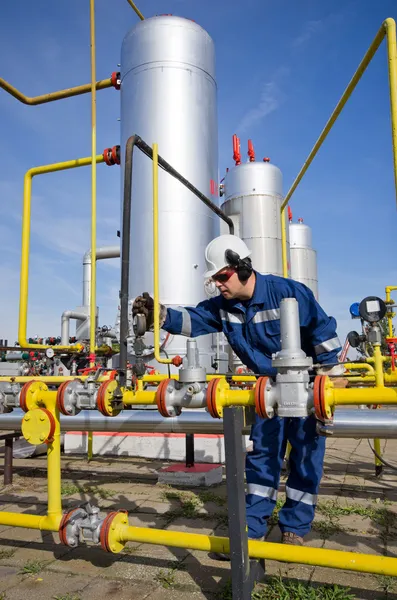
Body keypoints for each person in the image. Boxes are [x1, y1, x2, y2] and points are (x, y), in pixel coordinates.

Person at [132, 234, 345, 547]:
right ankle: (253, 530)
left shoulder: (288, 292)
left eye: (222, 276)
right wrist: (160, 315)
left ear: (243, 267)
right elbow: (194, 319)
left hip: (304, 390)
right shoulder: (224, 307)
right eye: (215, 279)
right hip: (266, 393)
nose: (218, 284)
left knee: (305, 459)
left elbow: (322, 330)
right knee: (261, 459)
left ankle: (295, 529)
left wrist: (330, 382)